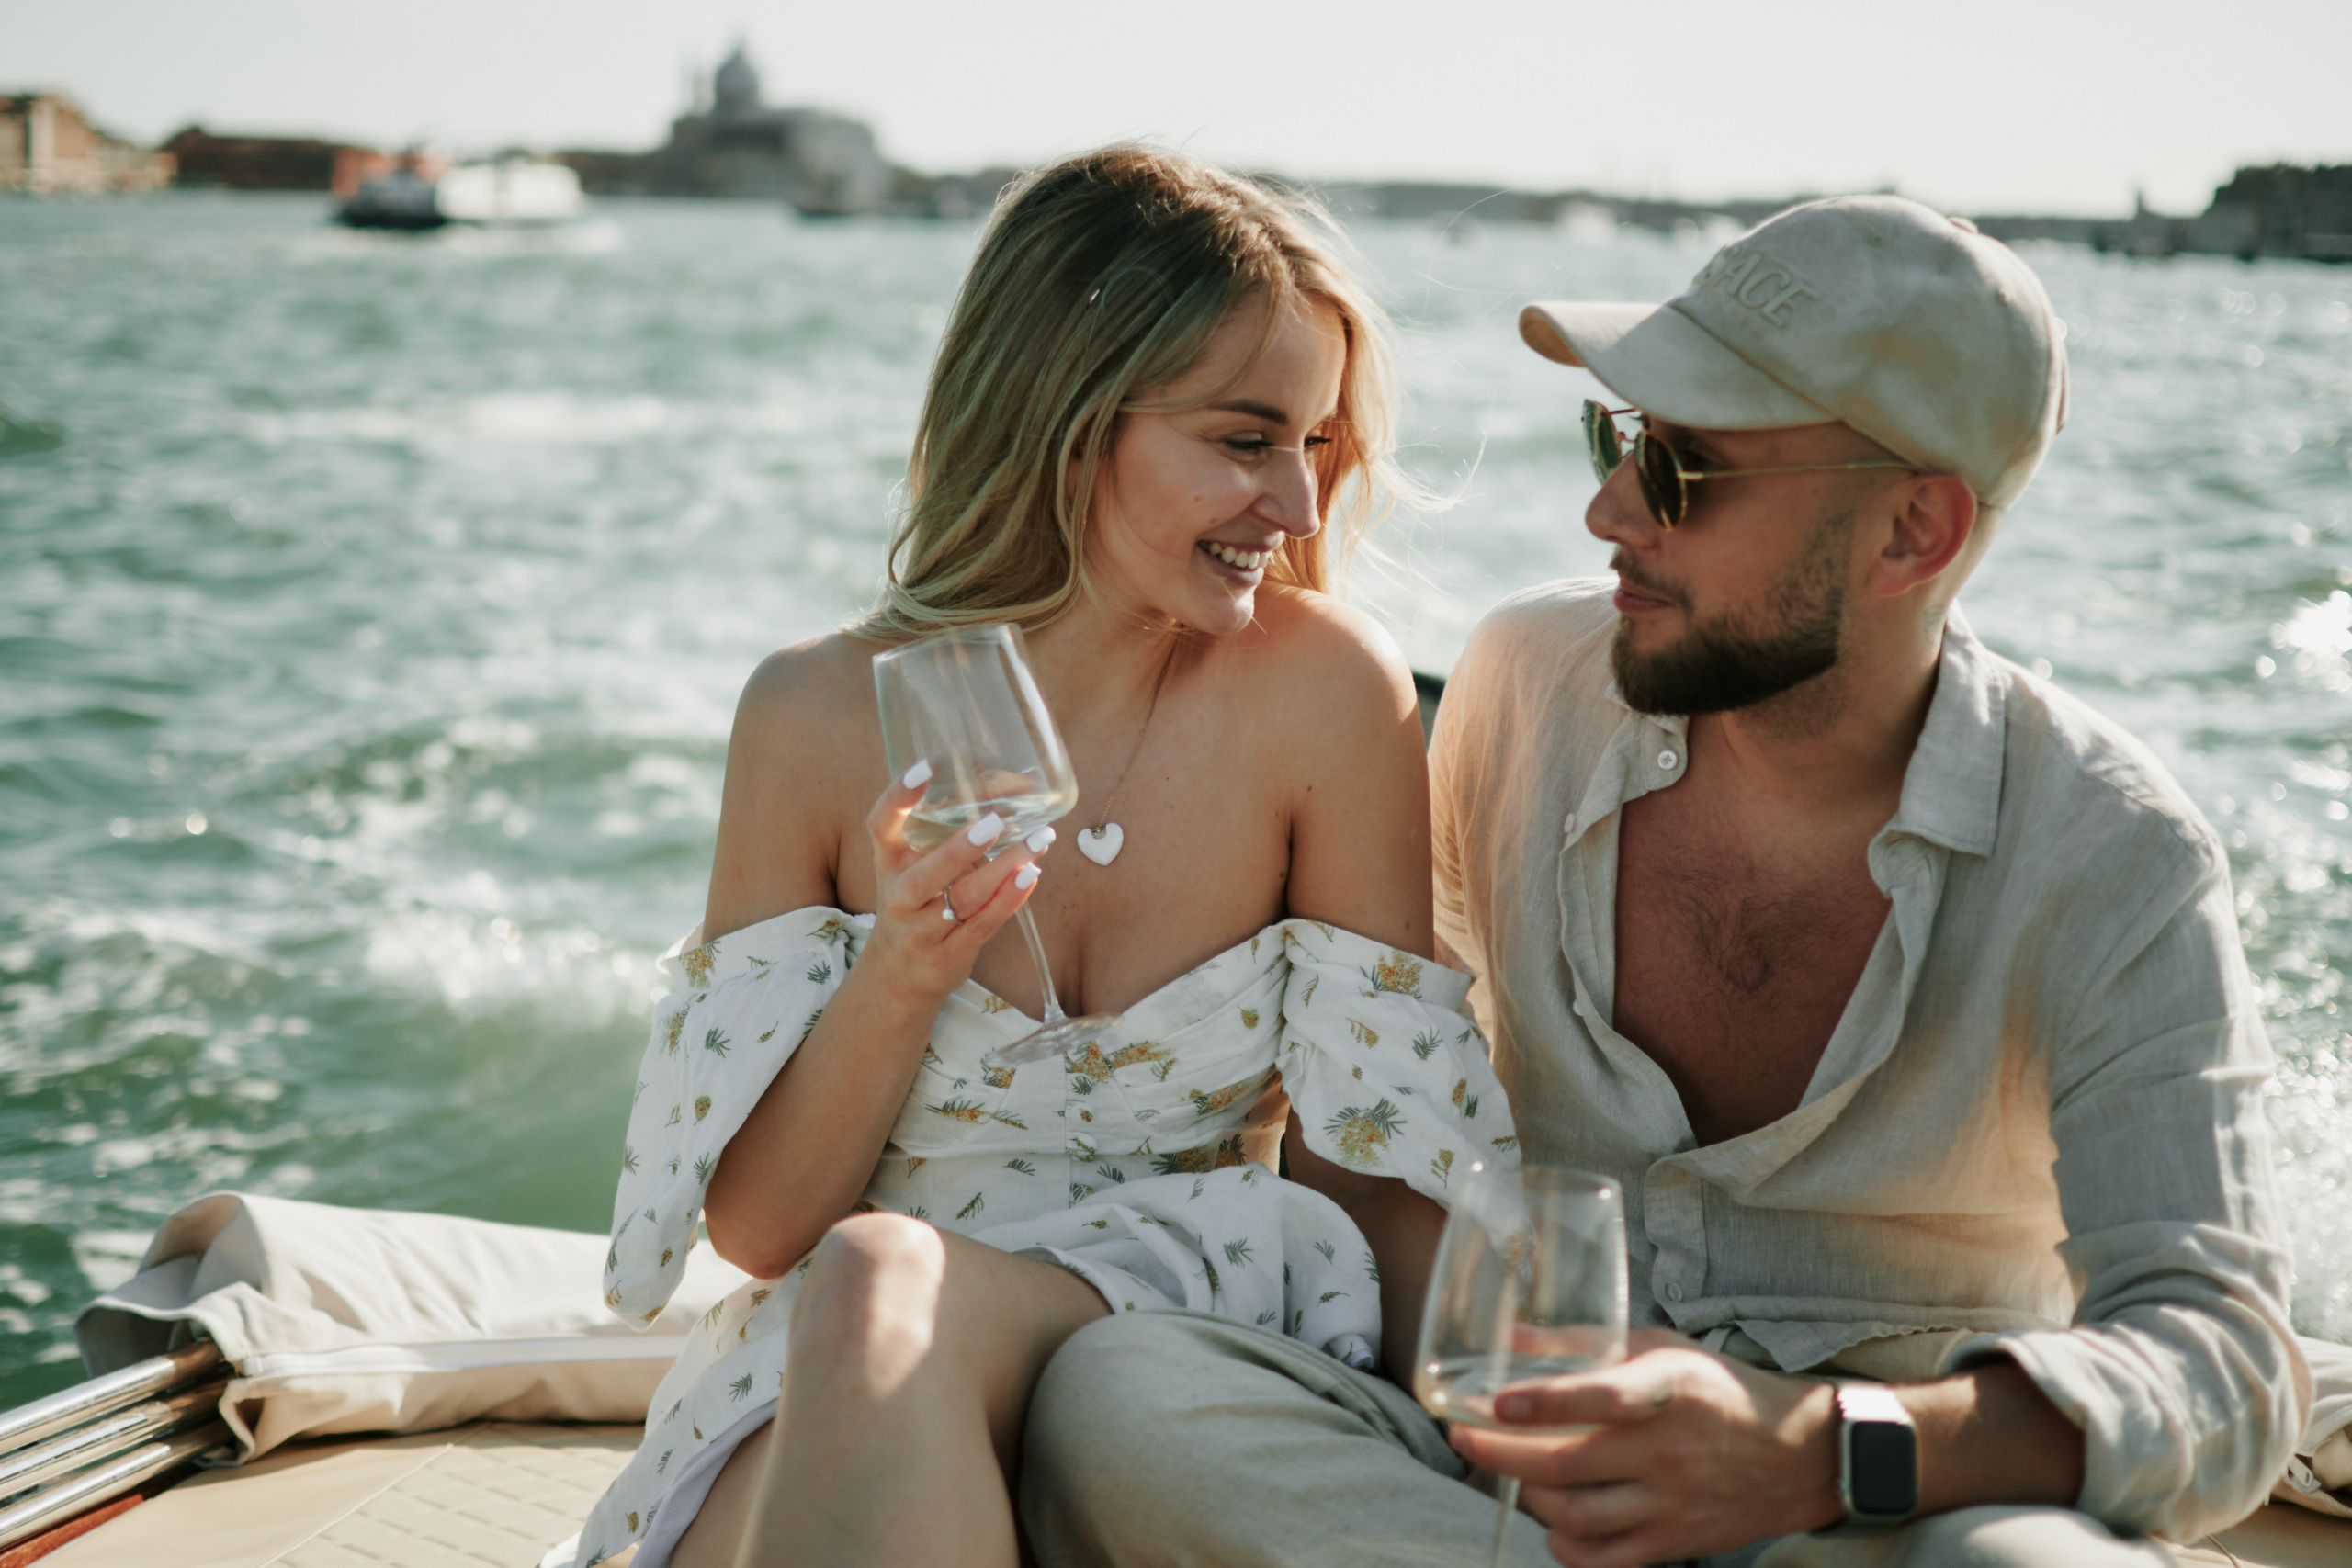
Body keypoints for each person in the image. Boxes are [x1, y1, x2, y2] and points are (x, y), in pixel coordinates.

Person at [1020, 197, 2307, 1566]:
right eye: (1619, 440)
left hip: (1870, 1515)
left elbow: (2224, 1366)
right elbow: (1379, 1137)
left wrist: (1810, 1451)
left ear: (1911, 534)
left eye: (1686, 472)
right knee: (1122, 1393)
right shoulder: (1519, 692)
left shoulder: (2113, 858)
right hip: (1502, 1482)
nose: (1609, 509)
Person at [548, 145, 1516, 1568]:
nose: (1301, 510)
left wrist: (1512, 1442)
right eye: (1246, 442)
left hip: (1194, 1306)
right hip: (851, 1341)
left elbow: (1368, 1174)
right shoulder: (815, 717)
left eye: (1314, 446)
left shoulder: (1321, 696)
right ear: (1070, 424)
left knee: (878, 1281)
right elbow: (760, 1231)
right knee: (837, 1347)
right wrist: (904, 968)